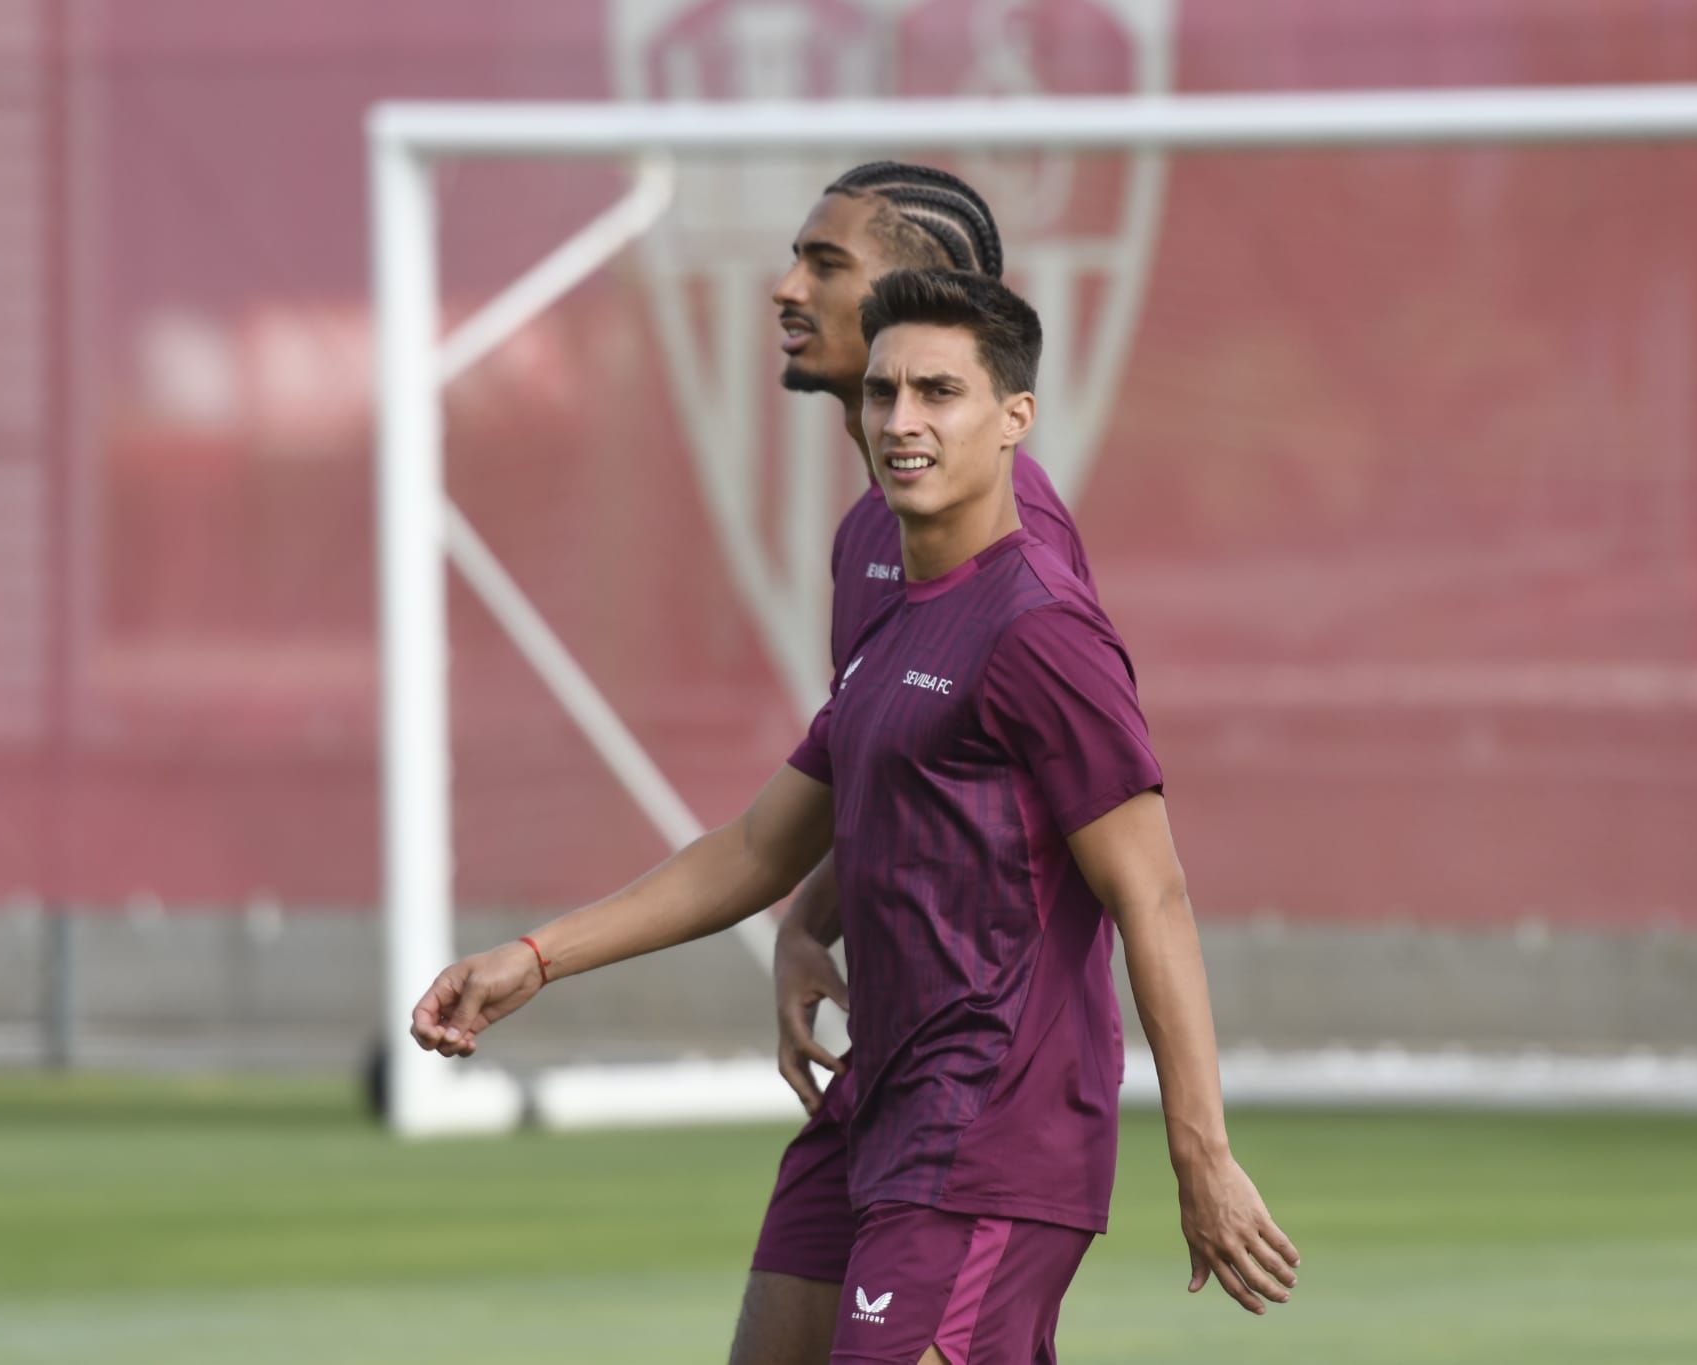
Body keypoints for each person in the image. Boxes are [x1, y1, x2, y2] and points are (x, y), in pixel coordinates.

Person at [410, 269, 1300, 1365]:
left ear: (1014, 417)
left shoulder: (1040, 631)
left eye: (939, 392)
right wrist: (537, 959)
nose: (902, 420)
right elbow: (758, 847)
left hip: (987, 1128)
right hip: (875, 1098)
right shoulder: (889, 597)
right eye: (884, 394)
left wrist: (1200, 1156)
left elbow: (1150, 895)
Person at [741, 162, 1096, 1365]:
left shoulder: (1023, 561)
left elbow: (1120, 854)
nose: (786, 288)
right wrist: (810, 915)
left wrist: (1198, 1150)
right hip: (884, 1080)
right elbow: (896, 770)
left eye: (824, 265)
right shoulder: (867, 539)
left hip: (982, 1101)